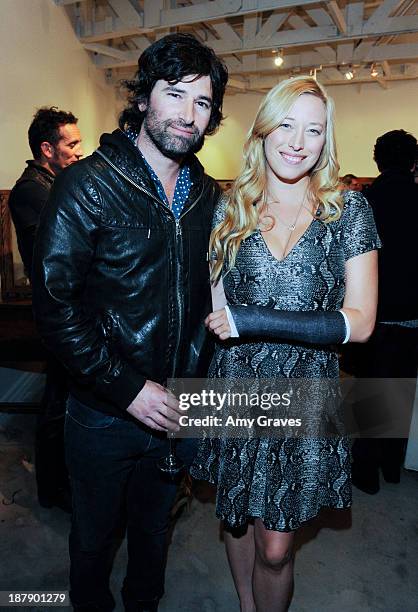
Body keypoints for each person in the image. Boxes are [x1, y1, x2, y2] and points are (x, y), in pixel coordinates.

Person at [32, 33, 227, 612]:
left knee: (155, 533)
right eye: (175, 94)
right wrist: (126, 389)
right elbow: (54, 307)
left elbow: (208, 300)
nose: (189, 114)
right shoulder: (87, 183)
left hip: (178, 409)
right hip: (102, 411)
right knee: (92, 542)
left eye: (203, 102)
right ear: (143, 98)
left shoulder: (208, 197)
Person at [191, 76, 380, 611]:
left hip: (304, 394)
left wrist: (253, 318)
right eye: (287, 125)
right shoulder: (228, 211)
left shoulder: (347, 211)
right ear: (263, 132)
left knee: (276, 547)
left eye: (314, 130)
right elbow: (214, 312)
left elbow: (362, 322)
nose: (298, 141)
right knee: (234, 513)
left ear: (327, 139)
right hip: (236, 387)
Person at [8, 107, 83, 513]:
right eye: (71, 143)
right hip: (55, 309)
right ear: (46, 148)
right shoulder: (30, 190)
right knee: (57, 402)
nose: (78, 149)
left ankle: (64, 482)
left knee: (67, 398)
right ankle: (54, 491)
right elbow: (50, 251)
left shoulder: (54, 182)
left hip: (68, 304)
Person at [351, 129, 418, 494]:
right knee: (401, 390)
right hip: (412, 317)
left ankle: (365, 470)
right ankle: (392, 466)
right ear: (413, 162)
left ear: (377, 161)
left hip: (372, 316)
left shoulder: (367, 201)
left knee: (370, 391)